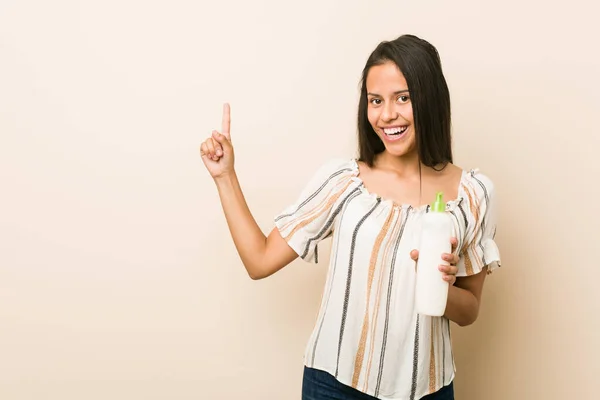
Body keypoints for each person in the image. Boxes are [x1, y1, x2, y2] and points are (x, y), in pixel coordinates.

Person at [199, 34, 501, 400]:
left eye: (403, 98)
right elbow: (259, 259)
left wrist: (439, 285)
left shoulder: (472, 194)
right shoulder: (344, 182)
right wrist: (225, 176)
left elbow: (469, 310)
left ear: (430, 98)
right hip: (334, 387)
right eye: (376, 101)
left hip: (427, 390)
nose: (387, 114)